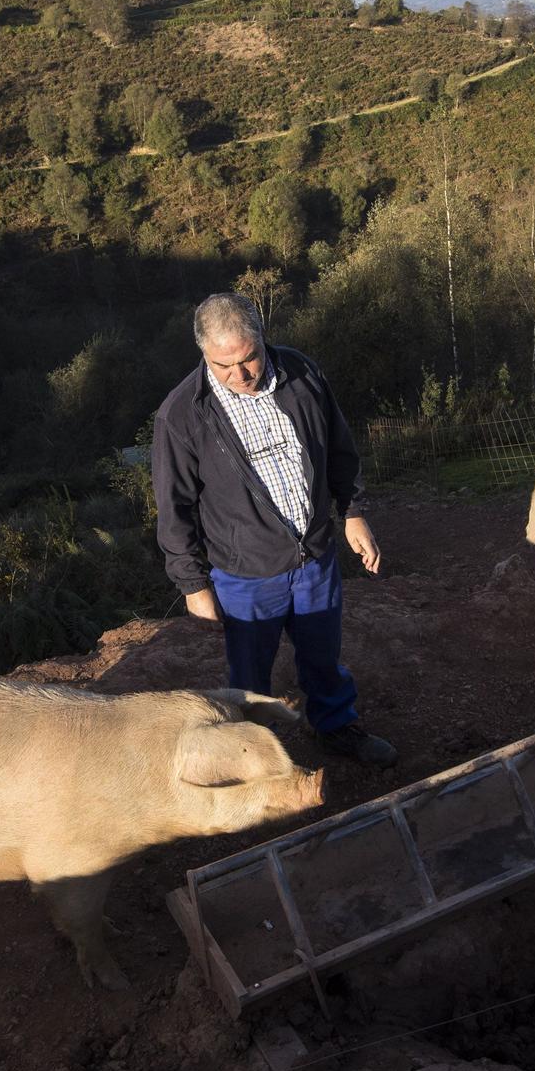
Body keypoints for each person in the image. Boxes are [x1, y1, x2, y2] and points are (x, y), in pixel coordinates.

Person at [150, 292, 396, 767]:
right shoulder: (182, 414)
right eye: (224, 365)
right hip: (245, 574)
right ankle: (252, 753)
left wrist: (353, 512)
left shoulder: (302, 374)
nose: (241, 375)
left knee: (323, 655)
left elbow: (339, 450)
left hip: (314, 557)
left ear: (263, 340)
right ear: (204, 355)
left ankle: (335, 725)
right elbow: (173, 508)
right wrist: (193, 585)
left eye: (249, 358)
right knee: (249, 675)